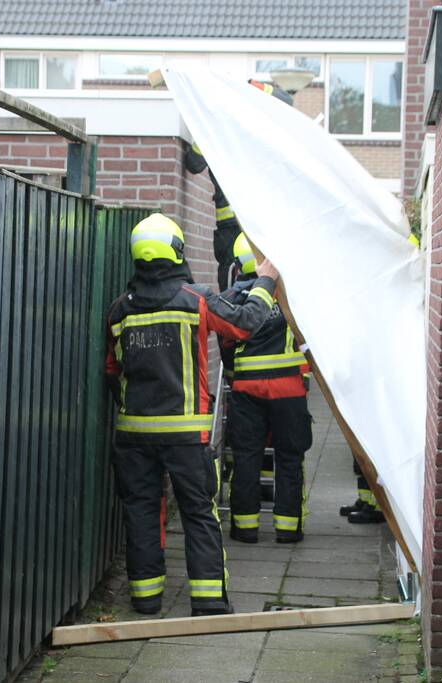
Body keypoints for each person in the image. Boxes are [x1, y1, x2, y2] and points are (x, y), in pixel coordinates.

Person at [105, 213, 279, 617]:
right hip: (188, 438)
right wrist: (266, 280)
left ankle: (146, 600)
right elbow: (247, 324)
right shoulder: (195, 300)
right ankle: (208, 602)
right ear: (177, 250)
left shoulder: (119, 311)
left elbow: (111, 373)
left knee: (143, 513)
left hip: (133, 436)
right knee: (199, 514)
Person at [222, 233, 312, 544]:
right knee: (289, 456)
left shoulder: (232, 299)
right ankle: (288, 529)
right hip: (288, 389)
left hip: (247, 389)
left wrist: (236, 377)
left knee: (247, 456)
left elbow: (226, 346)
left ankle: (245, 528)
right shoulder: (290, 296)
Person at [183, 80, 293, 290]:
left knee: (266, 276)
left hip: (256, 223)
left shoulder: (259, 131)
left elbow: (286, 101)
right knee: (237, 281)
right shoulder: (218, 130)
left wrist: (250, 87)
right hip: (235, 225)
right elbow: (194, 163)